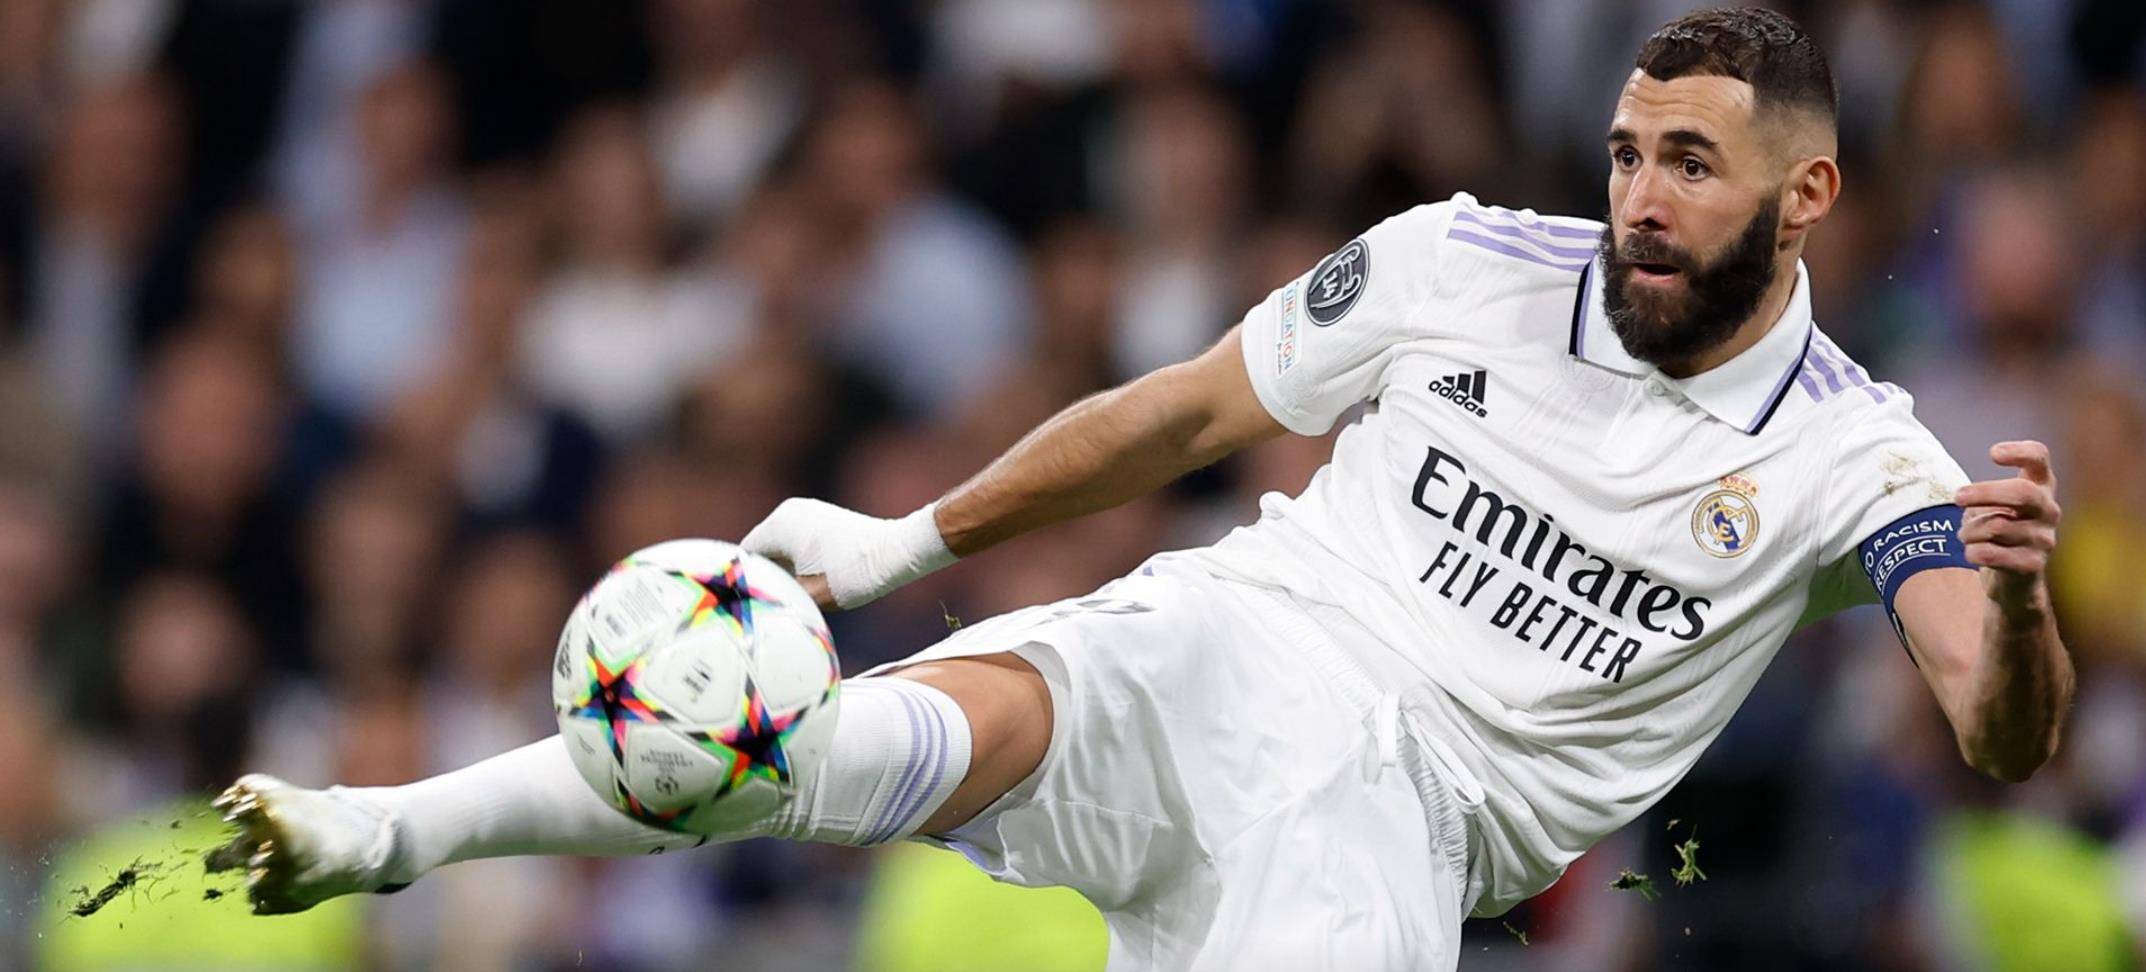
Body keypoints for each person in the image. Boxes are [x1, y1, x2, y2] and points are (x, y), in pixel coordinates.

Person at [212, 9, 2073, 970]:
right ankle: (386, 831)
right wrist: (908, 540)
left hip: (1403, 811)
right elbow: (1177, 418)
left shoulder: (1857, 454)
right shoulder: (1457, 262)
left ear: (1806, 196)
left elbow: (1993, 729)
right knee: (835, 733)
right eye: (1624, 153)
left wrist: (2008, 603)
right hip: (1236, 638)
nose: (1639, 200)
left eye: (1688, 165)